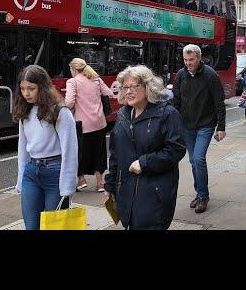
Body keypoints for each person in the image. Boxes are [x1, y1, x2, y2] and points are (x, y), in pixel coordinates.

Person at [104, 65, 186, 229]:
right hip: (126, 190)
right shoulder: (122, 115)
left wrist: (145, 163)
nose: (128, 91)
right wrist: (110, 185)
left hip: (155, 192)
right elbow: (115, 154)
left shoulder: (167, 114)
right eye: (125, 87)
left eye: (134, 86)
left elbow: (176, 149)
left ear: (148, 86)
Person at [13, 65, 78, 231]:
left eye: (31, 88)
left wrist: (68, 187)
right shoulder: (25, 109)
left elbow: (70, 151)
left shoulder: (60, 111)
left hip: (55, 173)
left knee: (54, 227)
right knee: (31, 226)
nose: (26, 93)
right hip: (31, 172)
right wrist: (21, 178)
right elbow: (22, 147)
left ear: (42, 87)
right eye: (22, 88)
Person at [172, 44, 226, 214]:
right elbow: (176, 101)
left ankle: (203, 196)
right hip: (187, 126)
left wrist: (221, 127)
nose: (188, 63)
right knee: (192, 161)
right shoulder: (181, 75)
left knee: (198, 159)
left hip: (205, 125)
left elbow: (219, 102)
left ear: (199, 58)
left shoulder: (210, 75)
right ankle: (199, 192)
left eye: (191, 60)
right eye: (186, 60)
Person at [65, 58, 115, 193]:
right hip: (99, 122)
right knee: (99, 152)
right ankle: (100, 183)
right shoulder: (96, 79)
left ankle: (81, 180)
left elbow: (69, 103)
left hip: (83, 125)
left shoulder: (72, 82)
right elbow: (109, 93)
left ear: (74, 69)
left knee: (80, 153)